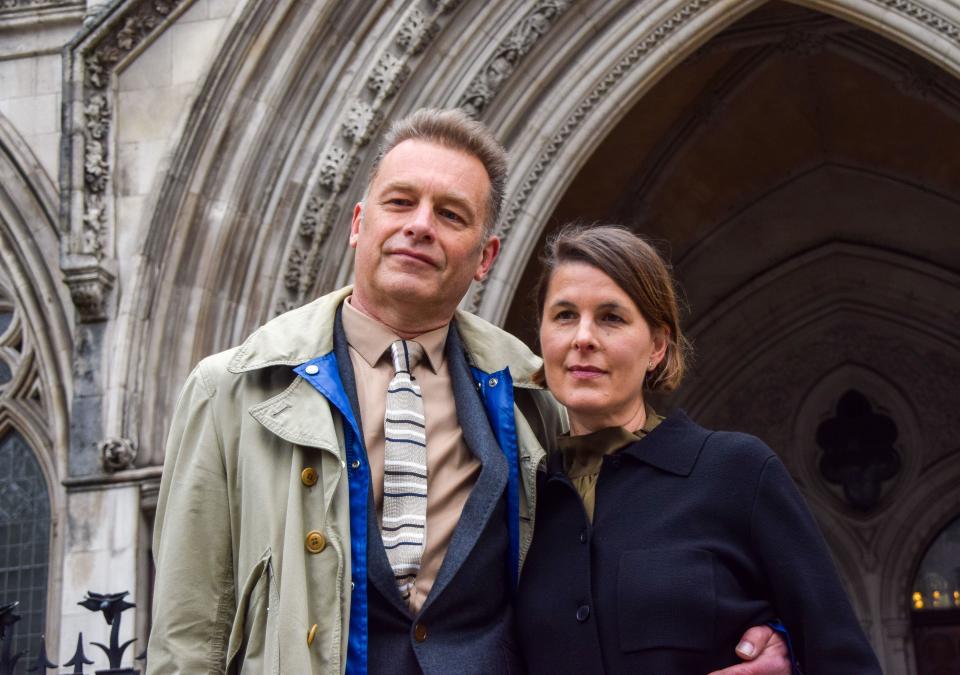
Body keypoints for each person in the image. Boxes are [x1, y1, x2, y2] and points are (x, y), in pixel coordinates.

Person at [147, 110, 793, 674]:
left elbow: (654, 529)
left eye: (450, 214)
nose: (420, 226)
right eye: (400, 202)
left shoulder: (536, 394)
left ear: (485, 258)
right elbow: (189, 631)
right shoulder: (232, 391)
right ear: (358, 222)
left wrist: (773, 634)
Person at [515, 224, 883, 674]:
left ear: (657, 346)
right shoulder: (522, 501)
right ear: (542, 337)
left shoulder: (737, 472)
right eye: (565, 315)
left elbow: (841, 659)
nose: (583, 337)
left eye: (611, 317)